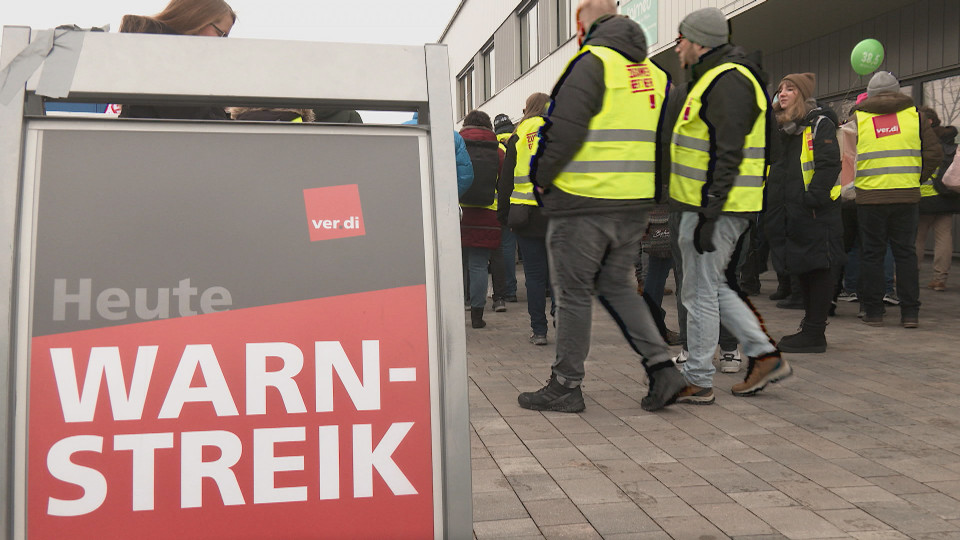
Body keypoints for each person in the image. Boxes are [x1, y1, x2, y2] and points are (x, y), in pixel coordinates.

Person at [515, 0, 684, 413]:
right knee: (617, 286)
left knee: (573, 294)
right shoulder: (656, 75)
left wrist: (543, 179)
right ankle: (663, 370)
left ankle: (566, 384)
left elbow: (564, 131)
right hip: (632, 203)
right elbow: (668, 141)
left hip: (582, 202)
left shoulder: (591, 63)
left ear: (588, 27)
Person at [670, 7, 791, 403]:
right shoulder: (716, 79)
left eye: (681, 39)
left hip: (719, 208)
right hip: (711, 205)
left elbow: (729, 153)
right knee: (709, 287)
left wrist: (710, 211)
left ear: (699, 40)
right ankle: (764, 357)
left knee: (699, 292)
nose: (677, 47)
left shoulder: (729, 80)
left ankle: (698, 379)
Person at [848, 71, 941, 327]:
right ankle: (910, 313)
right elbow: (934, 152)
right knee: (905, 254)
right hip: (906, 196)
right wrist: (915, 178)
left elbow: (846, 158)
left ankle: (874, 311)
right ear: (899, 92)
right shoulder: (915, 116)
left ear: (871, 93)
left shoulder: (859, 119)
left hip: (869, 197)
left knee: (872, 254)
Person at [770, 73, 844, 353]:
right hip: (792, 211)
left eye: (790, 89)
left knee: (819, 268)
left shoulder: (819, 124)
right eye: (780, 89)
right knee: (802, 265)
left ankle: (815, 332)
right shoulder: (784, 127)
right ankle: (810, 328)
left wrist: (812, 198)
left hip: (815, 211)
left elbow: (827, 165)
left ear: (802, 93)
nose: (783, 93)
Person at [498, 93, 555, 346]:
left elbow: (507, 179)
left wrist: (503, 214)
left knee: (533, 275)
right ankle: (561, 321)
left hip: (526, 215)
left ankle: (539, 330)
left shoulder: (518, 134)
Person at [119, 0, 236, 120]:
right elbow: (192, 116)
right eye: (221, 34)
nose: (223, 43)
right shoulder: (163, 56)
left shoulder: (149, 49)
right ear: (198, 19)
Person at [459, 111, 505, 328]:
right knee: (478, 265)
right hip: (487, 213)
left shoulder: (455, 147)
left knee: (454, 266)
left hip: (456, 213)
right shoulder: (498, 151)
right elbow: (505, 186)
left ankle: (452, 312)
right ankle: (477, 317)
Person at [916, 107, 960, 292]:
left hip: (924, 198)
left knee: (917, 238)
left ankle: (909, 273)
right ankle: (940, 278)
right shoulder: (950, 142)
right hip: (946, 197)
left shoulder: (923, 141)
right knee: (944, 238)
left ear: (929, 122)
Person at [494, 113, 519, 304]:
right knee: (513, 246)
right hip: (523, 201)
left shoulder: (494, 146)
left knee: (503, 248)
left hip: (497, 203)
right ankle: (511, 290)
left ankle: (508, 291)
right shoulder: (518, 140)